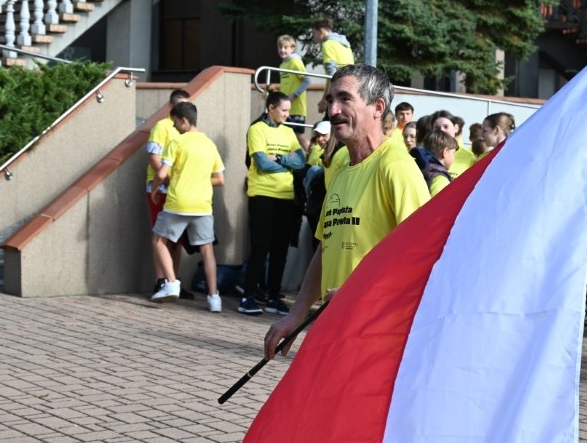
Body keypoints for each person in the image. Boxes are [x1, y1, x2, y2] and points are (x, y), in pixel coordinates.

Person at [264, 64, 429, 360]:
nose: (333, 110)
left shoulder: (396, 167)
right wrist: (296, 315)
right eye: (330, 101)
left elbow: (424, 259)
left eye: (345, 99)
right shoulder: (342, 172)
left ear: (377, 107)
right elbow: (325, 249)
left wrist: (366, 298)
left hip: (379, 340)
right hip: (335, 332)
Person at [150, 102, 225, 312]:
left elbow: (162, 173)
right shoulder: (210, 145)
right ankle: (214, 298)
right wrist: (200, 181)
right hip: (202, 205)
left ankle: (172, 283)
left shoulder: (177, 142)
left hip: (178, 202)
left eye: (175, 122)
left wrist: (156, 189)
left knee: (158, 240)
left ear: (184, 120)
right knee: (207, 250)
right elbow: (220, 178)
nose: (173, 127)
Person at [238, 91, 306, 317]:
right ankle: (247, 296)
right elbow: (261, 164)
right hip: (262, 195)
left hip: (285, 197)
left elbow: (301, 162)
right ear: (271, 107)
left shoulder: (289, 132)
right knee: (260, 247)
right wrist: (286, 164)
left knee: (280, 250)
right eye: (284, 110)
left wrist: (279, 159)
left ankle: (273, 298)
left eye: (289, 110)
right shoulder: (256, 129)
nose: (287, 115)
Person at [146, 88, 193, 300]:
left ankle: (174, 280)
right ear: (171, 107)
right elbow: (154, 158)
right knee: (160, 237)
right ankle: (161, 281)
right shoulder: (162, 127)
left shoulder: (189, 130)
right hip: (162, 189)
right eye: (180, 105)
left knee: (178, 240)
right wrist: (168, 179)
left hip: (180, 192)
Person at [275, 34, 311, 151]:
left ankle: (315, 154)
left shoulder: (295, 61)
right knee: (287, 135)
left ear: (292, 48)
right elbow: (288, 84)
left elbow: (307, 80)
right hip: (285, 107)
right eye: (280, 47)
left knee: (296, 135)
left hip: (296, 108)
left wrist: (293, 95)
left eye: (285, 47)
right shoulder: (282, 64)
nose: (282, 50)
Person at [311, 17, 354, 112]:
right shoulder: (345, 45)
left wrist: (325, 101)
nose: (313, 36)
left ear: (321, 31)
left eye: (314, 33)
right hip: (349, 89)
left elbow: (332, 75)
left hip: (337, 91)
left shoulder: (327, 45)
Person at [431, 110, 476, 176]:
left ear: (456, 128)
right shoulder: (425, 155)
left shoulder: (469, 158)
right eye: (437, 128)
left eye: (446, 127)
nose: (442, 130)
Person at [417, 128, 458, 197]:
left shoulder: (421, 169)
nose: (454, 156)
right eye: (453, 152)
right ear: (445, 152)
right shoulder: (440, 180)